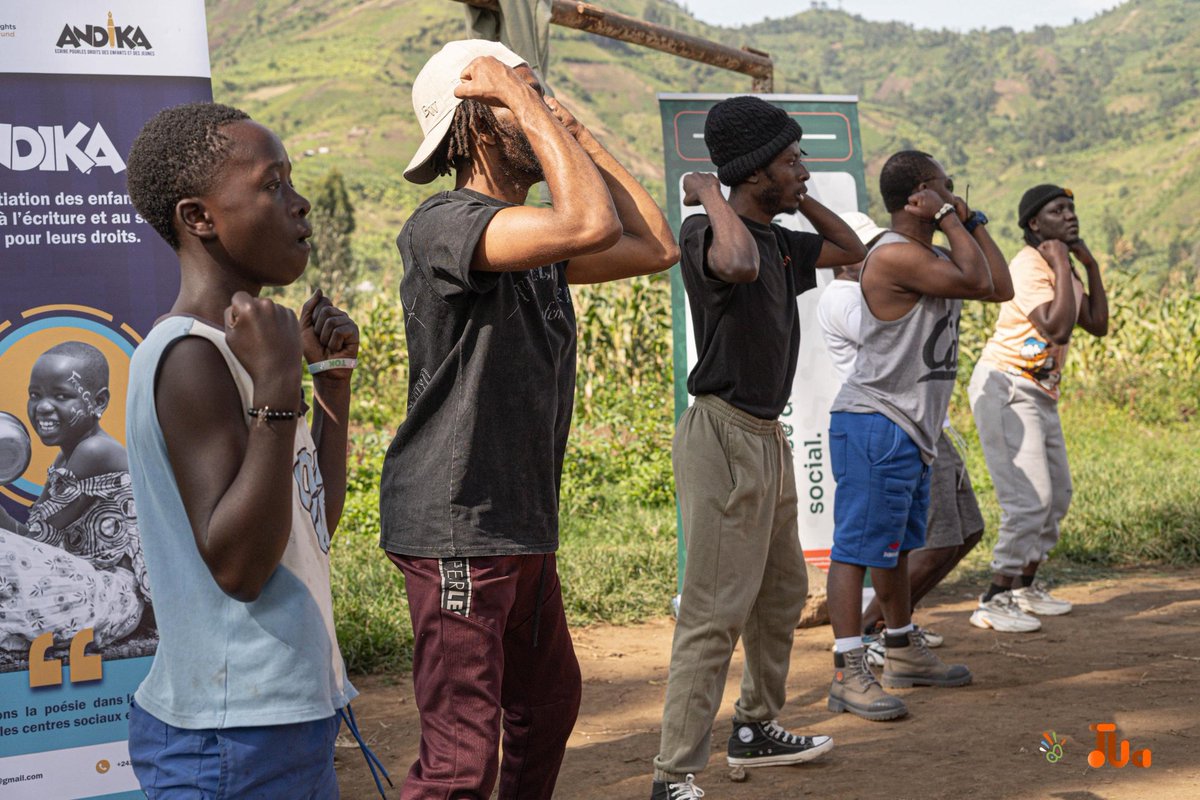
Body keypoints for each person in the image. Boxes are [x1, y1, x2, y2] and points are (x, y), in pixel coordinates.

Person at [381, 40, 678, 800]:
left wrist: (570, 131)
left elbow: (654, 246)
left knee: (546, 711)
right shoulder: (445, 224)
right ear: (481, 120)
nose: (542, 102)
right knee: (458, 762)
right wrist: (524, 102)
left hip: (518, 525)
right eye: (524, 93)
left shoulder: (532, 241)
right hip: (459, 528)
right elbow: (585, 224)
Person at [123, 102, 366, 798]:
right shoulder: (190, 354)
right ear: (200, 218)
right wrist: (281, 382)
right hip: (233, 737)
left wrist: (331, 383)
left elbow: (307, 526)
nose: (300, 204)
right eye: (272, 185)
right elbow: (241, 565)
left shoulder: (246, 355)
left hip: (283, 718)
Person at [652, 96, 866, 800]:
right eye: (790, 160)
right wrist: (710, 191)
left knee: (781, 595)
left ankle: (754, 726)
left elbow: (853, 253)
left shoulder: (779, 238)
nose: (803, 168)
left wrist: (799, 199)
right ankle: (673, 774)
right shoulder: (704, 233)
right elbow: (737, 264)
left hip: (765, 435)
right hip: (722, 435)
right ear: (752, 172)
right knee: (715, 615)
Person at [825, 150, 1010, 721]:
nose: (956, 195)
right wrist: (955, 219)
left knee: (898, 545)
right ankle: (846, 670)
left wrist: (968, 220)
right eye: (947, 187)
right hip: (875, 421)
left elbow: (999, 286)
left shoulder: (928, 253)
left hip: (909, 425)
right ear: (921, 194)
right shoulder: (894, 255)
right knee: (856, 547)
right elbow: (978, 278)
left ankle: (902, 650)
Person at [967, 184, 1108, 632]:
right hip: (1007, 386)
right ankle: (994, 598)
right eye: (1058, 210)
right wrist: (1063, 263)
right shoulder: (1029, 265)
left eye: (1072, 207)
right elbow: (1057, 327)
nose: (1070, 216)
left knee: (1057, 497)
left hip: (1040, 392)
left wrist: (1090, 265)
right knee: (1029, 501)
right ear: (1034, 224)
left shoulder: (1058, 265)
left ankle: (1025, 586)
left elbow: (1097, 324)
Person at [0, 342, 150, 654]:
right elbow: (36, 538)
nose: (42, 407)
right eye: (35, 395)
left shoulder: (95, 452)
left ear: (99, 401)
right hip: (86, 582)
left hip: (112, 595)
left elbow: (37, 539)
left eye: (62, 395)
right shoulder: (63, 461)